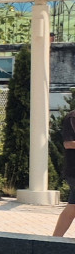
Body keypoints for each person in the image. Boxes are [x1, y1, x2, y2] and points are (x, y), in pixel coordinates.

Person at [54, 102, 75, 239]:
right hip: (74, 171)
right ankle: (53, 241)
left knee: (72, 207)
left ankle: (54, 240)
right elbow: (68, 143)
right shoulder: (72, 118)